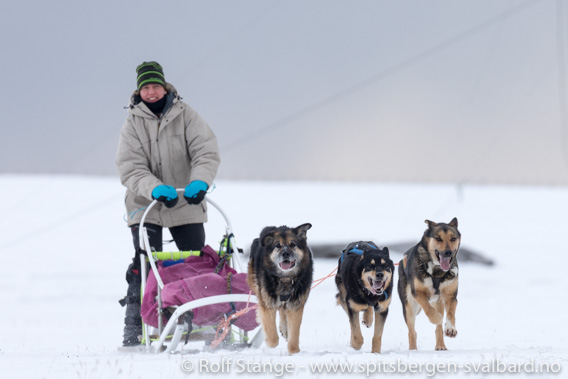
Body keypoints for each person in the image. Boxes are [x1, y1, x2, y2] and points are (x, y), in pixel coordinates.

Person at [116, 61, 220, 346]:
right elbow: (130, 166)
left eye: (156, 86)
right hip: (144, 205)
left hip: (186, 200)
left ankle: (203, 323)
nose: (151, 92)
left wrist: (200, 181)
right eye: (146, 87)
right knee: (145, 264)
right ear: (139, 91)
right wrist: (155, 189)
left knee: (194, 262)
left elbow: (206, 151)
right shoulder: (132, 124)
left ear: (165, 87)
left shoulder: (187, 115)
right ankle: (135, 329)